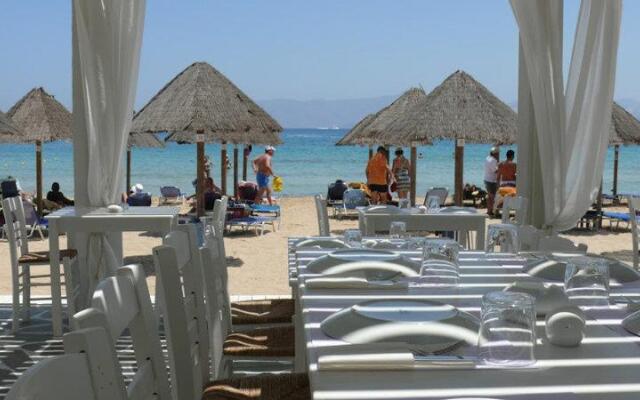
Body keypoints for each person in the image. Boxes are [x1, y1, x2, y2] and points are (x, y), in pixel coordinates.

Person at [484, 147, 499, 217]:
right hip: (492, 181)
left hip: (486, 179)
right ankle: (492, 212)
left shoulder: (487, 158)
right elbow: (495, 171)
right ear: (495, 154)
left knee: (489, 196)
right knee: (492, 197)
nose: (498, 155)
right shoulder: (493, 160)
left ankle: (488, 210)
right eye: (497, 153)